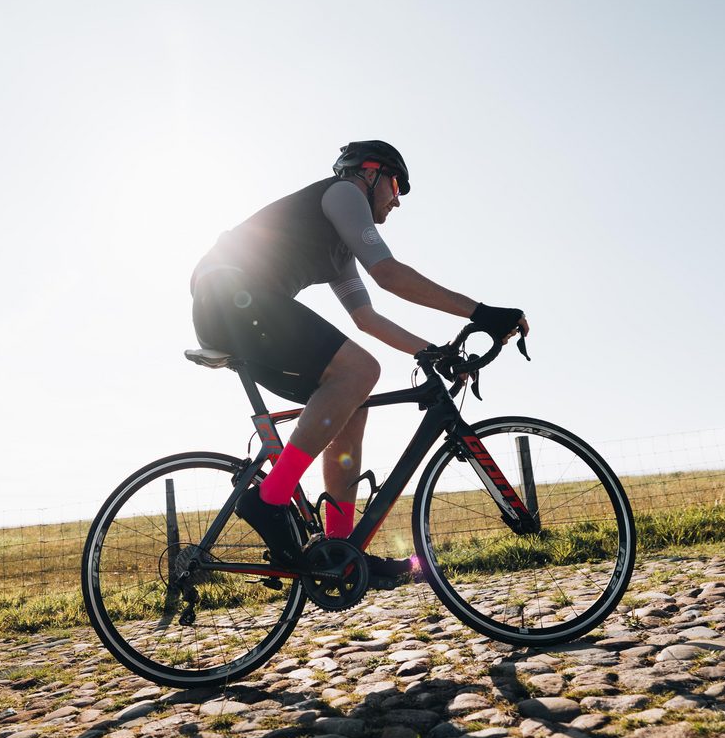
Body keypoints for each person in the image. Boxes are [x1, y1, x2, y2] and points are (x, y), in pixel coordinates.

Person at [190, 140, 527, 586]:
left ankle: (341, 554)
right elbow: (387, 273)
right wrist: (480, 313)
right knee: (361, 370)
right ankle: (270, 499)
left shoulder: (337, 249)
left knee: (352, 397)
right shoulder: (343, 193)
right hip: (231, 296)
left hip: (234, 307)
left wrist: (433, 352)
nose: (398, 198)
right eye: (395, 183)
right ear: (368, 172)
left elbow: (367, 318)